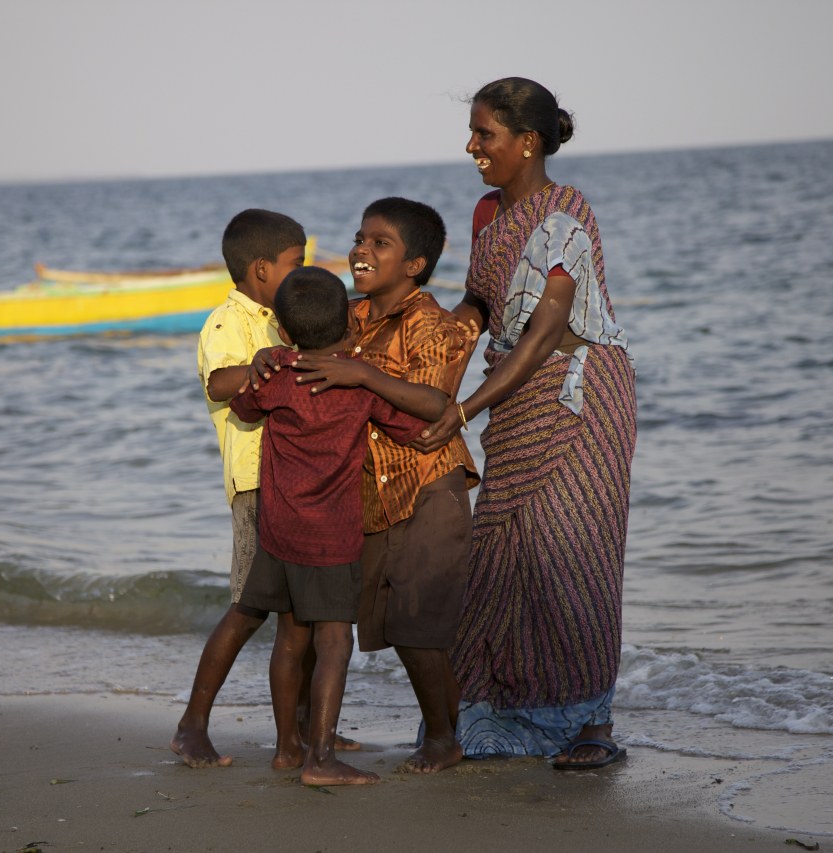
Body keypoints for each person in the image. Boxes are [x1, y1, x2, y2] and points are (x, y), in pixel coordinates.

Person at [413, 77, 637, 770]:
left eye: (486, 134)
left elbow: (544, 332)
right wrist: (442, 334)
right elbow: (483, 298)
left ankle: (590, 720)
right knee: (504, 560)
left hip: (578, 393)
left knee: (571, 557)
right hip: (514, 396)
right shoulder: (488, 213)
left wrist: (464, 408)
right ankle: (499, 713)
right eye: (474, 133)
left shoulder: (566, 214)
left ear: (528, 142)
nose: (472, 146)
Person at [289, 197, 478, 773]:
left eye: (379, 243)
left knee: (419, 623)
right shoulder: (347, 316)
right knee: (390, 623)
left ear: (414, 265)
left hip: (429, 483)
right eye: (359, 238)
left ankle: (444, 739)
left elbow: (435, 403)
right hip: (369, 494)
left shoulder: (432, 325)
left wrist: (363, 373)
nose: (361, 250)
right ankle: (312, 732)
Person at [231, 266, 428, 786]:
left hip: (279, 533)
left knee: (290, 640)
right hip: (331, 537)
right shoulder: (356, 382)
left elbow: (242, 405)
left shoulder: (277, 373)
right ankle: (320, 758)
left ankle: (285, 749)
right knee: (335, 642)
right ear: (348, 320)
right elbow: (414, 426)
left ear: (286, 330)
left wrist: (267, 361)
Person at [170, 208, 304, 769]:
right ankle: (192, 725)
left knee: (305, 616)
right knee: (249, 608)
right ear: (260, 269)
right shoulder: (227, 323)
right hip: (255, 486)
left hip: (299, 484)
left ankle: (301, 732)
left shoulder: (284, 316)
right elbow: (222, 381)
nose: (303, 274)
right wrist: (271, 363)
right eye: (296, 264)